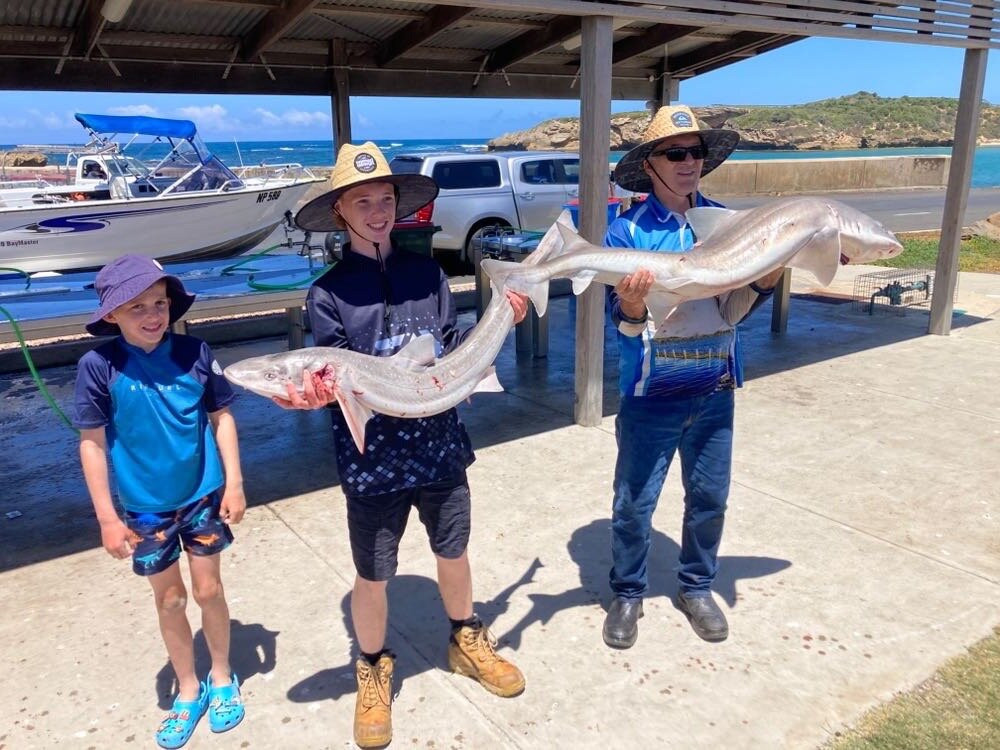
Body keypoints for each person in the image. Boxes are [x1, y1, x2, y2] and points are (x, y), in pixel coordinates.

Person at [285, 142, 529, 749]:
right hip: (372, 459)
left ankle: (465, 638)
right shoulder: (328, 294)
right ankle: (371, 667)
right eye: (362, 201)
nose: (375, 210)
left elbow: (449, 343)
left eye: (384, 199)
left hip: (440, 442)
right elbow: (333, 376)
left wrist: (503, 319)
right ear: (340, 210)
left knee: (454, 551)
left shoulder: (429, 274)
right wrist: (314, 394)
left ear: (398, 205)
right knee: (372, 574)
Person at [601, 105, 785, 649]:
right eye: (675, 153)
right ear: (650, 164)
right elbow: (626, 327)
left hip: (715, 386)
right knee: (634, 502)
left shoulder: (730, 224)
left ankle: (696, 585)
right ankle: (628, 591)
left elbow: (736, 310)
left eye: (696, 153)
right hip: (650, 393)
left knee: (710, 497)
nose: (688, 163)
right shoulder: (626, 231)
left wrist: (767, 278)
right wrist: (632, 305)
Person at [73, 254, 247, 749]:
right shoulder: (98, 366)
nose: (152, 315)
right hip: (145, 507)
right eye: (136, 307)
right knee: (169, 598)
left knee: (209, 590)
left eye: (159, 303)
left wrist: (233, 482)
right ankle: (187, 689)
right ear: (111, 315)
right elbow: (91, 442)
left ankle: (220, 674)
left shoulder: (195, 351)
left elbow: (222, 418)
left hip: (202, 494)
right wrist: (107, 517)